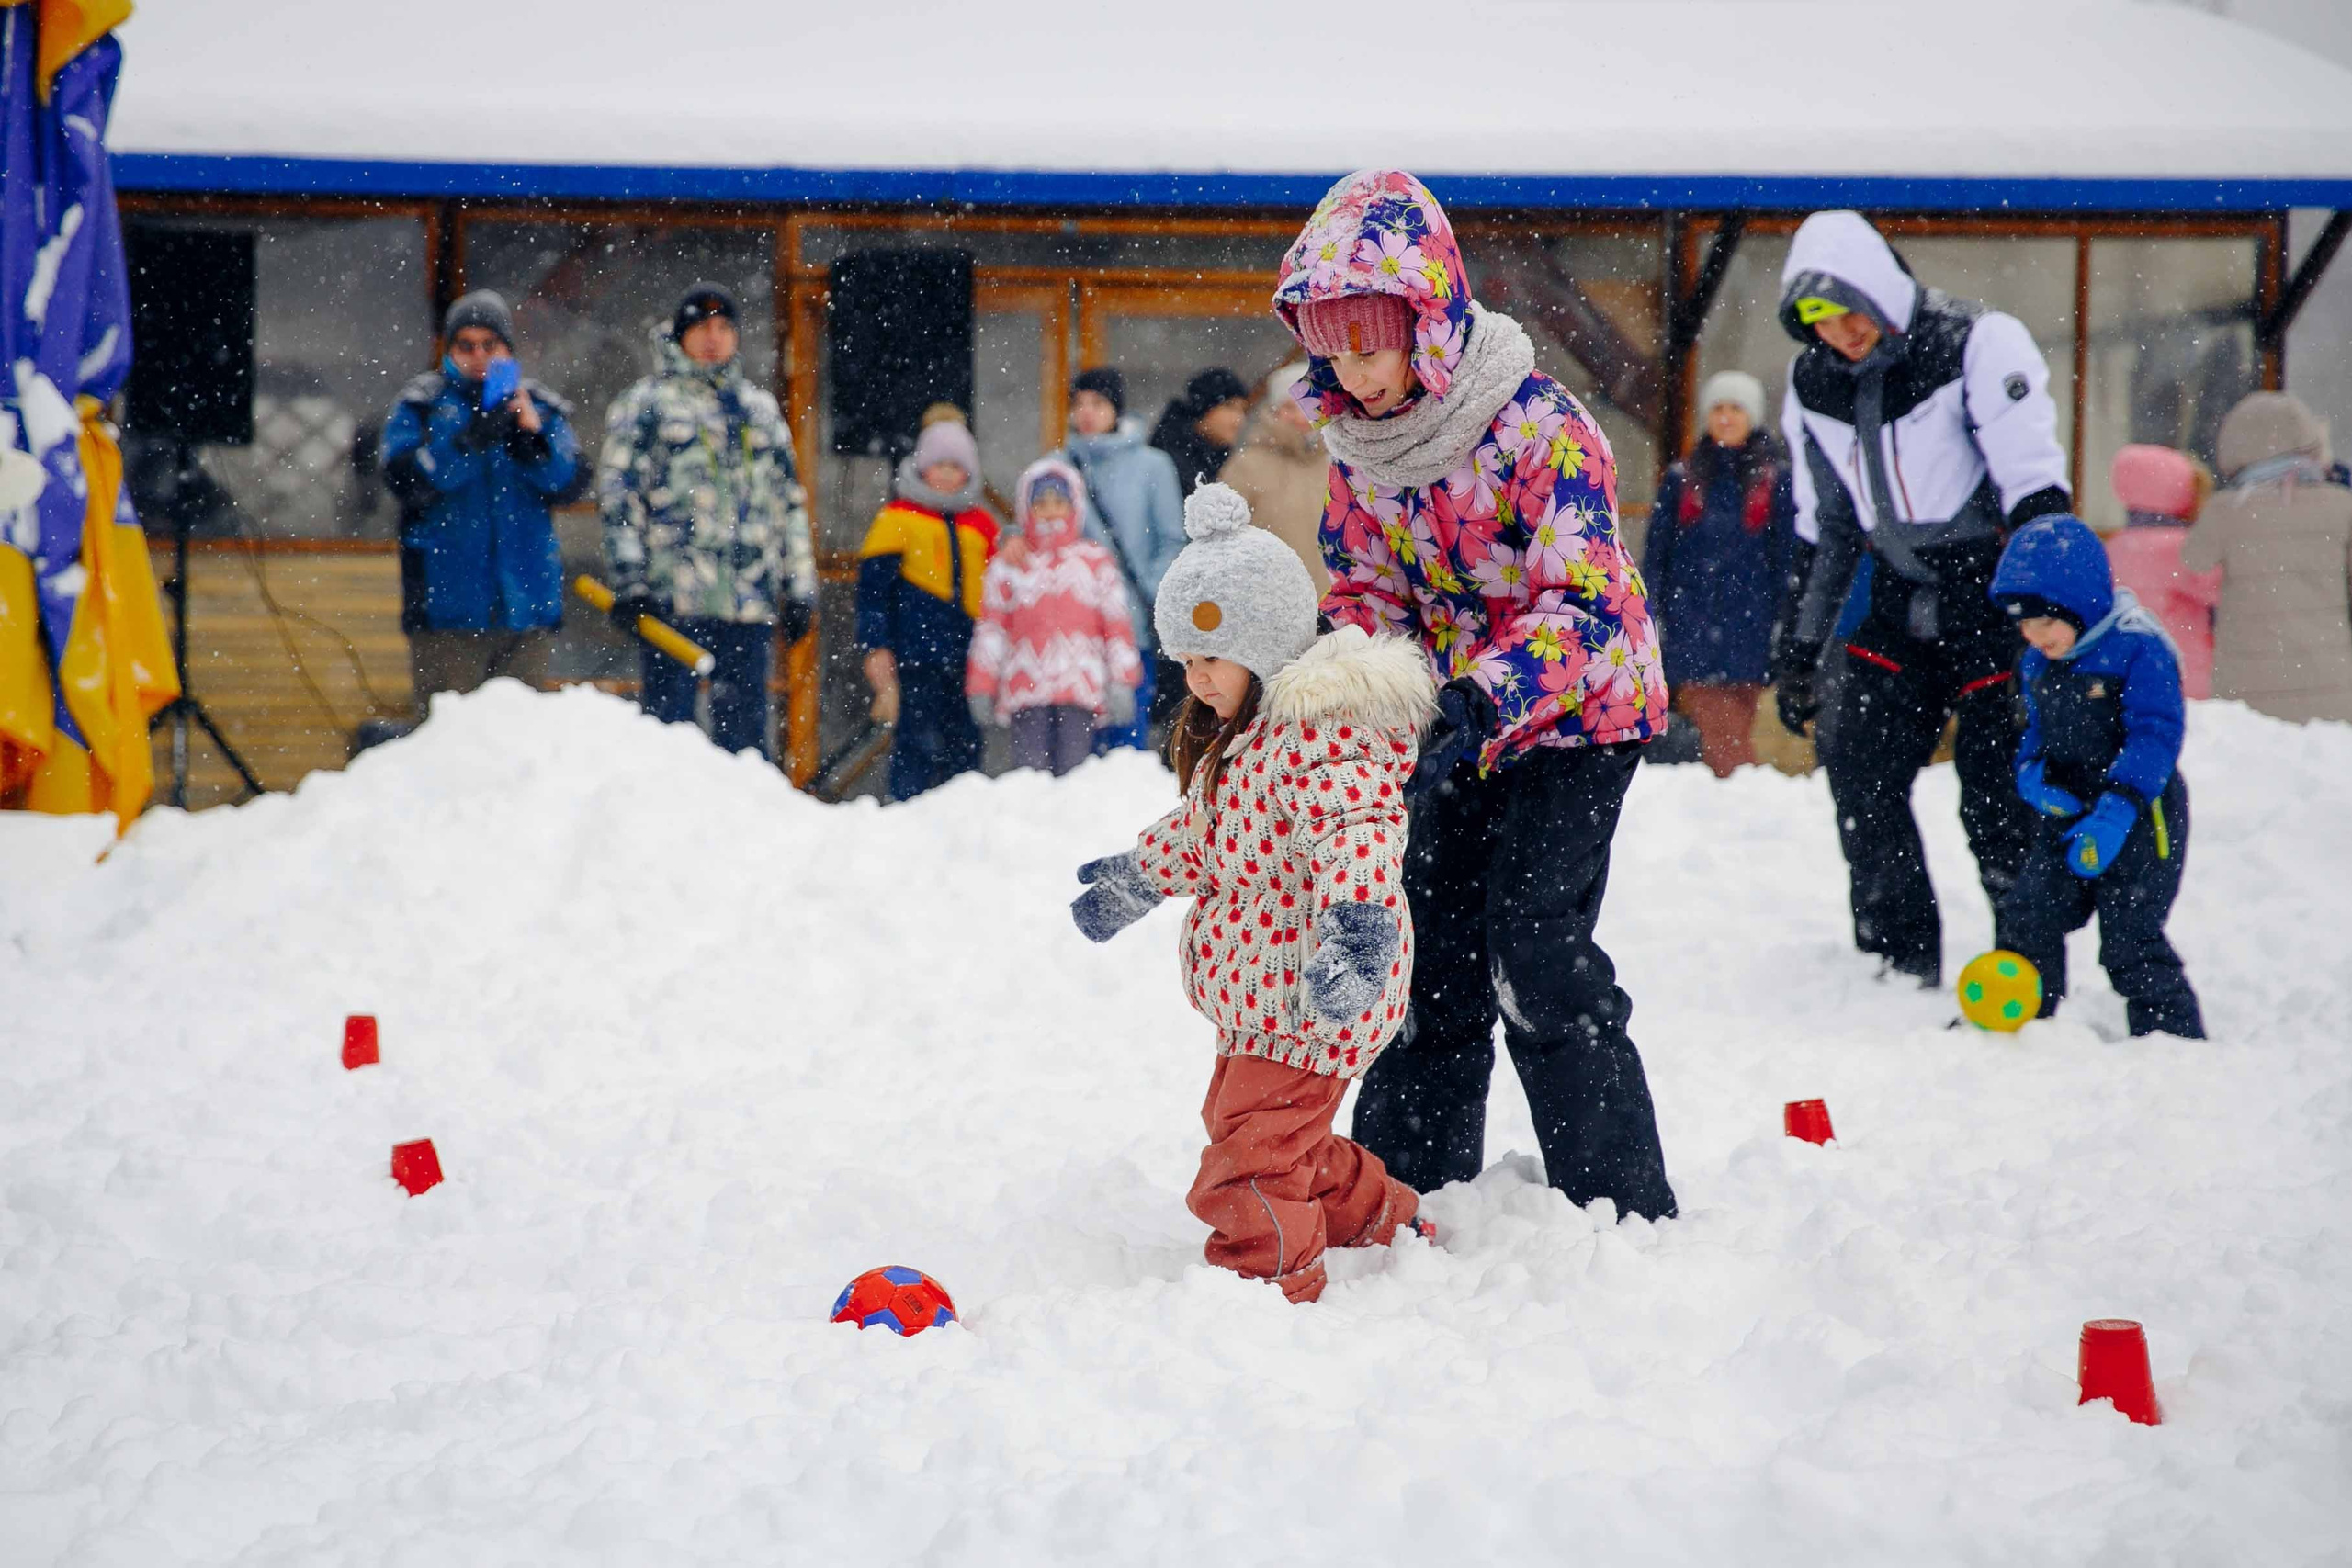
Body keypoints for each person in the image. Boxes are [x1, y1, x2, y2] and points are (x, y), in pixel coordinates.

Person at [1275, 168, 1677, 1222]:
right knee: (1426, 953)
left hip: (1577, 718)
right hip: (1453, 724)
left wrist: (1480, 698)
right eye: (1329, 355)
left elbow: (1585, 604)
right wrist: (1343, 677)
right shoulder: (1361, 449)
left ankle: (1617, 1206)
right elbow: (1364, 590)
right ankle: (1410, 1191)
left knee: (1533, 953)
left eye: (1367, 349)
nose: (1351, 376)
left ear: (1427, 325)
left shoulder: (1538, 428)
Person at [1068, 482, 1437, 1303]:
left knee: (1251, 1157)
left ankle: (1266, 1286)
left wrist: (1357, 940)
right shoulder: (1251, 745)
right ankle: (1382, 1219)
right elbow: (1205, 836)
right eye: (1185, 661)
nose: (1196, 679)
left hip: (1312, 989)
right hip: (1263, 990)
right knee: (1263, 1131)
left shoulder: (1321, 738)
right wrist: (1137, 878)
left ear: (1265, 645)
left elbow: (1361, 833)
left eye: (1211, 658)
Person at [1769, 209, 2072, 987]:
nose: (1840, 334)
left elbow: (2036, 490)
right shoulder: (1812, 384)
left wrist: (2052, 617)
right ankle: (1898, 957)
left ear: (1881, 292)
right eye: (1820, 322)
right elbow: (1827, 528)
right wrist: (1799, 649)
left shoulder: (1973, 342)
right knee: (1858, 762)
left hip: (1992, 597)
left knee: (1998, 787)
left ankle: (2028, 965)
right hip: (1899, 599)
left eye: (1850, 312)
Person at [1990, 514, 2204, 1038]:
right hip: (2069, 810)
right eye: (2024, 625)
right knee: (2030, 913)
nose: (2034, 636)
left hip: (2141, 816)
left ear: (2081, 605)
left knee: (2130, 936)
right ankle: (2019, 1020)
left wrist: (2118, 807)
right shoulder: (2040, 661)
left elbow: (2155, 735)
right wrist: (2033, 775)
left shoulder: (2139, 648)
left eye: (2045, 621)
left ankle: (2172, 1040)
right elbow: (2034, 729)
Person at [599, 283, 815, 758]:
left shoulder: (759, 410)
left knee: (746, 744)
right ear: (680, 335)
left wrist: (799, 586)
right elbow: (620, 496)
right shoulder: (647, 404)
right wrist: (630, 580)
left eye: (723, 327)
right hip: (674, 597)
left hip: (747, 600)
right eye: (701, 327)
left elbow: (789, 502)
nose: (713, 338)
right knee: (671, 739)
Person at [381, 290, 584, 716]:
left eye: (489, 345)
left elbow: (570, 484)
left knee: (520, 742)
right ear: (448, 349)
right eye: (466, 345)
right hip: (447, 615)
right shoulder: (422, 405)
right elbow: (406, 481)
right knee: (448, 742)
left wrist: (532, 445)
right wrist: (471, 442)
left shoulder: (541, 407)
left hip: (526, 612)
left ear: (508, 348)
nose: (478, 357)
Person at [1642, 369, 1794, 776]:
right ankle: (1735, 793)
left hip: (1751, 627)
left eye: (1736, 409)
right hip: (1691, 624)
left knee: (1732, 730)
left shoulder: (1775, 480)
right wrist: (1653, 614)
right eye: (1718, 408)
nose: (1726, 418)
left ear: (1752, 416)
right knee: (1718, 734)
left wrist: (1785, 621)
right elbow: (1657, 556)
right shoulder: (1683, 479)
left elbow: (1786, 559)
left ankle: (1735, 796)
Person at [2178, 391, 2352, 724]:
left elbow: (2190, 568)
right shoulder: (2342, 505)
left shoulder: (2225, 510)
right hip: (2329, 685)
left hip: (2245, 693)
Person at [966, 457, 1140, 775]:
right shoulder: (1010, 564)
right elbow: (992, 629)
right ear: (1026, 507)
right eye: (1041, 503)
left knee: (1074, 773)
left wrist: (1122, 680)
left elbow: (1117, 627)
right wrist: (982, 684)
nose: (1050, 511)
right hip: (1026, 686)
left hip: (1080, 686)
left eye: (1059, 502)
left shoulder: (1094, 561)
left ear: (1074, 506)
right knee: (1029, 775)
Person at [857, 416, 1000, 800]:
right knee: (915, 741)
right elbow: (872, 591)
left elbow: (1002, 590)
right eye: (939, 464)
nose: (947, 474)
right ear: (922, 467)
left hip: (969, 658)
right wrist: (875, 644)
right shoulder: (897, 518)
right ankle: (908, 810)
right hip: (915, 655)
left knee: (965, 743)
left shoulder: (981, 524)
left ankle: (964, 812)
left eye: (956, 465)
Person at [1057, 367, 1185, 749]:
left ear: (1116, 409)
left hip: (1130, 626)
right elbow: (1033, 530)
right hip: (1070, 628)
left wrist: (1147, 592)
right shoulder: (1057, 466)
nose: (1087, 412)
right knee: (1072, 749)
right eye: (1079, 403)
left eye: (1098, 403)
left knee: (1126, 740)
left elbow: (1172, 539)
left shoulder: (1152, 465)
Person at [2107, 444, 2221, 700]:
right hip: (2187, 675)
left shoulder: (2114, 547)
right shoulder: (2184, 548)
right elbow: (2226, 592)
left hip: (2130, 673)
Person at [1219, 361, 1331, 594]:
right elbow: (1220, 542)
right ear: (1274, 410)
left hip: (1335, 603)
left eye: (1304, 405)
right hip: (1270, 601)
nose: (1296, 416)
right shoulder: (1246, 465)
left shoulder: (1338, 463)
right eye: (1287, 406)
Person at [1148, 367, 1251, 491]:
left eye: (1243, 410)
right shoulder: (1166, 459)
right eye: (1229, 406)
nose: (1239, 419)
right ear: (1204, 407)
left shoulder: (1223, 460)